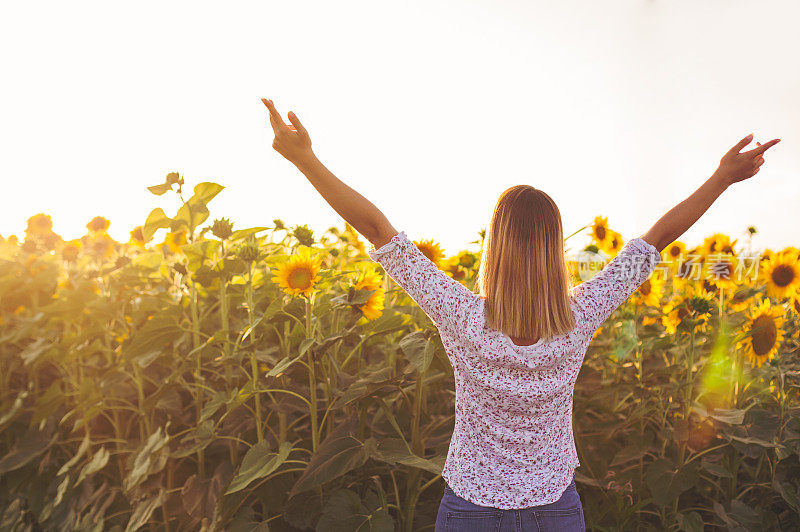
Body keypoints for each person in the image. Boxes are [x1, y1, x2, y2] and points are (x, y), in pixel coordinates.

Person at [261, 98, 780, 531]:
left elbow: (377, 230)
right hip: (554, 511)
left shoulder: (459, 313)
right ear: (555, 250)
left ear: (495, 247)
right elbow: (657, 239)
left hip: (470, 510)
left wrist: (305, 159)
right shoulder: (580, 314)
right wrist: (722, 178)